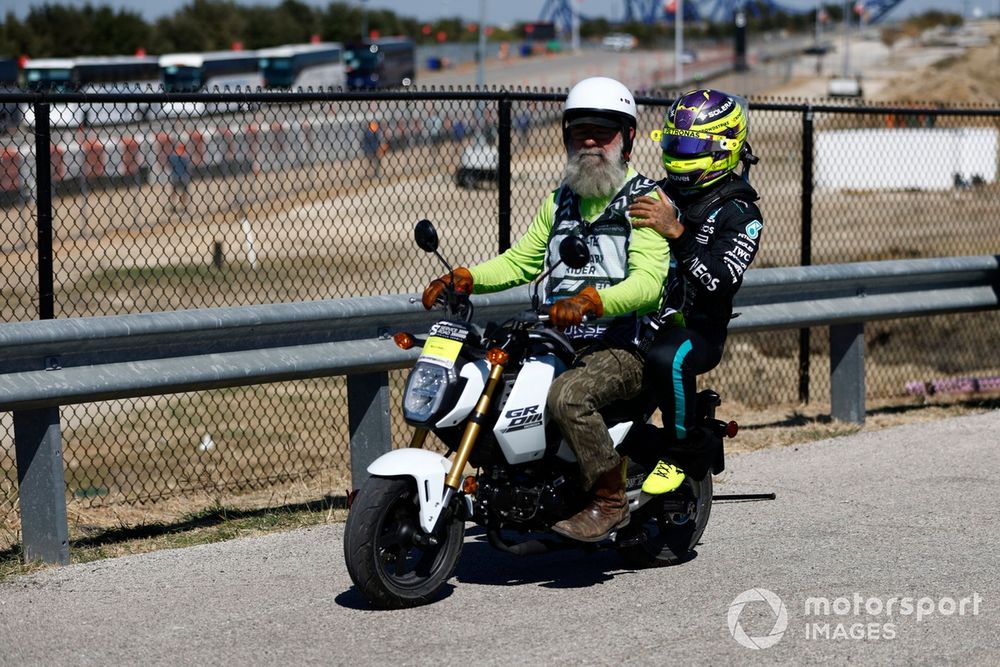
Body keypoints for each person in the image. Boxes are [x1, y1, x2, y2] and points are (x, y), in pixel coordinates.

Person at [421, 77, 671, 542]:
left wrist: (593, 301)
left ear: (629, 138)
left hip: (622, 343)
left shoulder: (644, 202)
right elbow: (522, 261)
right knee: (483, 385)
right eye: (581, 132)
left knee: (568, 397)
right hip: (554, 338)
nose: (591, 142)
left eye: (604, 132)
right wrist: (467, 276)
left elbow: (649, 284)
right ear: (566, 137)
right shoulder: (560, 200)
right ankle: (514, 489)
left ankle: (609, 500)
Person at [627, 88, 763, 495]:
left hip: (697, 330)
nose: (677, 154)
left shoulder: (741, 214)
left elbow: (718, 282)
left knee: (668, 357)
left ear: (724, 148)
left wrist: (677, 233)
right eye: (673, 143)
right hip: (640, 316)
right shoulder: (657, 193)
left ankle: (684, 450)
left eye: (688, 146)